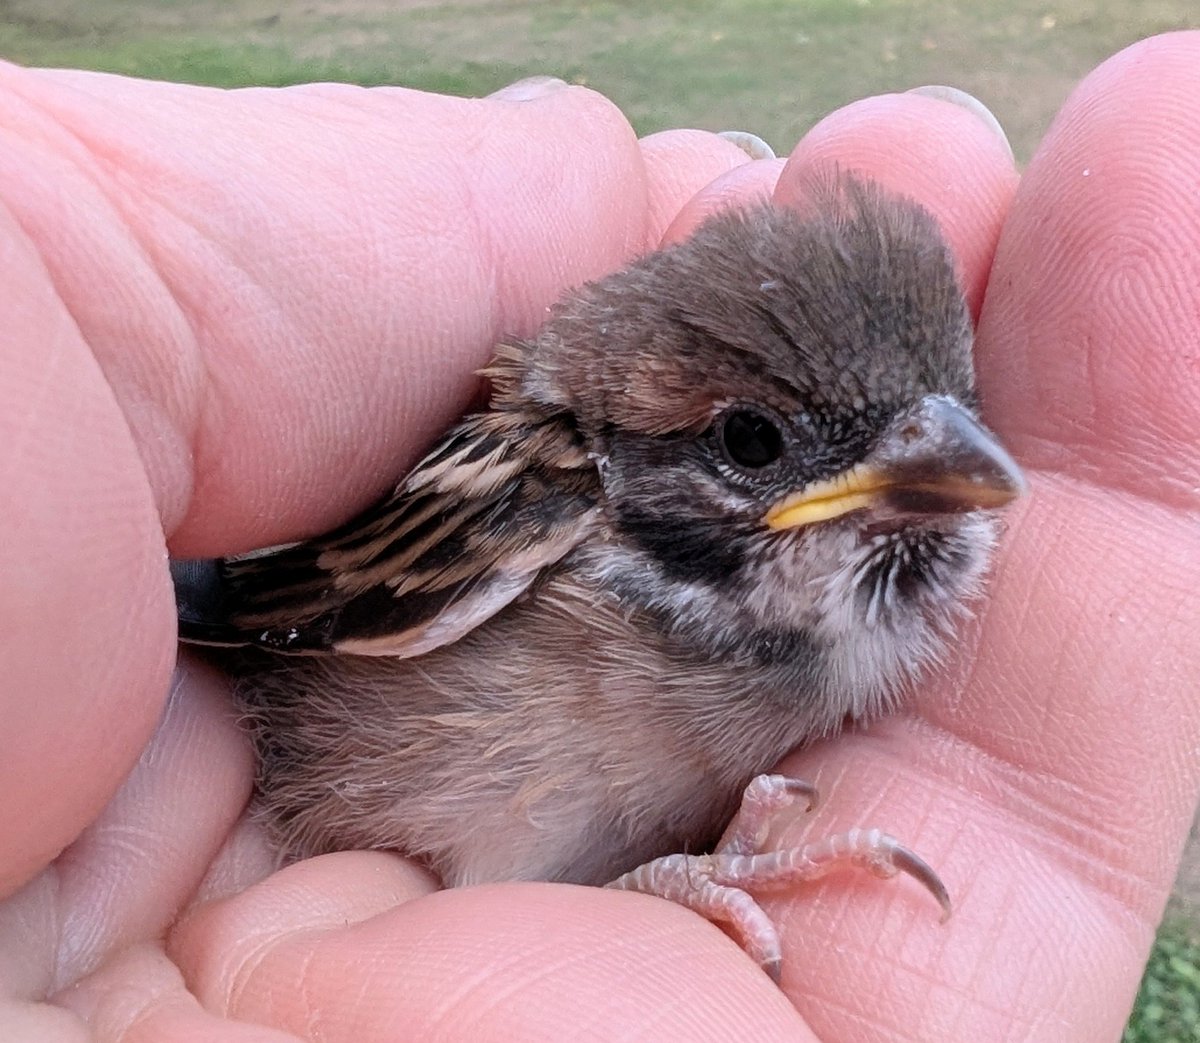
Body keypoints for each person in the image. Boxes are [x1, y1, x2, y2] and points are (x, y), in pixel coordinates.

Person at [2, 31, 1198, 1042]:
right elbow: (271, 610)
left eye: (950, 424)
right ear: (644, 445)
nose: (945, 473)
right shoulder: (544, 496)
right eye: (751, 445)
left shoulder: (901, 572)